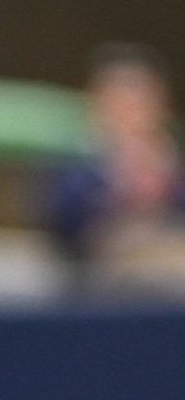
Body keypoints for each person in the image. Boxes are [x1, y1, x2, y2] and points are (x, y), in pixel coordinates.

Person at [44, 43, 185, 296]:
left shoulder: (171, 152)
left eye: (141, 96)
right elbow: (63, 221)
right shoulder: (79, 152)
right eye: (121, 96)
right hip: (102, 271)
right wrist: (115, 186)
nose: (132, 107)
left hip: (167, 253)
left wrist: (165, 186)